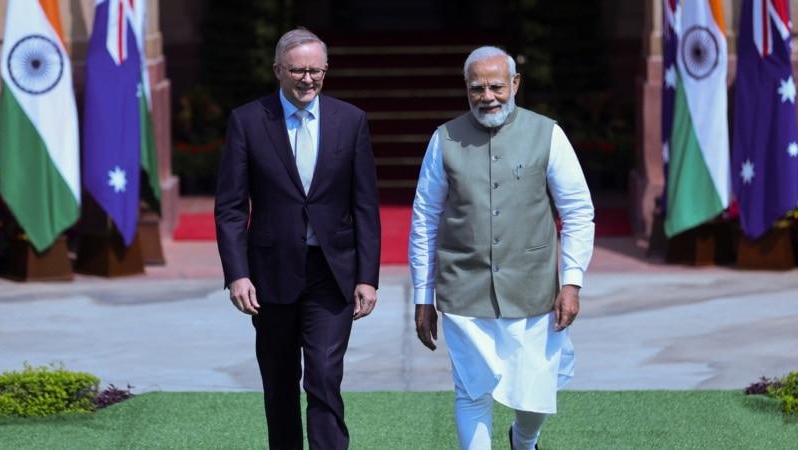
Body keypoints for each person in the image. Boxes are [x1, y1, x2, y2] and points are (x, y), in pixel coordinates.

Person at [409, 46, 594, 450]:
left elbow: (578, 210)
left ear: (515, 83)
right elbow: (424, 218)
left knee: (535, 394)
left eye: (496, 86)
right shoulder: (444, 139)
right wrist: (423, 296)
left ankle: (523, 441)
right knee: (471, 391)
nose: (487, 97)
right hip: (463, 289)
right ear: (466, 88)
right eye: (477, 88)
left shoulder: (548, 133)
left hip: (534, 289)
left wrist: (572, 283)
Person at [215, 28, 381, 449]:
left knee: (324, 375)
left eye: (316, 70)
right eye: (298, 71)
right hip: (270, 273)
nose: (308, 79)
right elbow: (231, 207)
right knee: (279, 381)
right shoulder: (247, 121)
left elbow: (365, 205)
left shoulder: (351, 120)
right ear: (278, 70)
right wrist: (237, 274)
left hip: (332, 272)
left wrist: (367, 277)